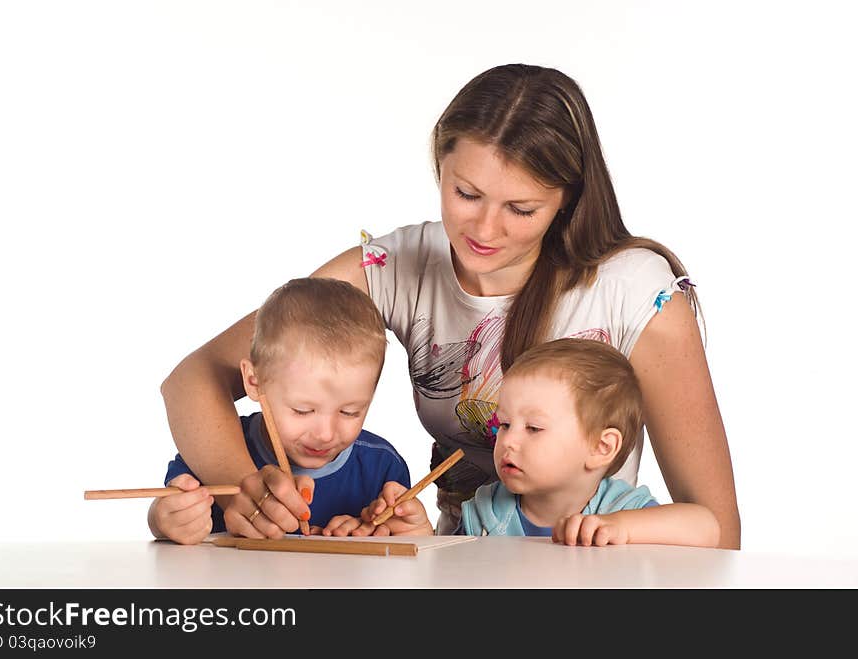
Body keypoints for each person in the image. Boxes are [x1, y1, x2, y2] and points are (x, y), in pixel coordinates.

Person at [158, 63, 740, 547]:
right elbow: (192, 379)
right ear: (439, 164)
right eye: (466, 194)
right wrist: (248, 489)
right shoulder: (396, 266)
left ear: (566, 201)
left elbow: (718, 531)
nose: (485, 229)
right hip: (457, 558)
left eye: (521, 209)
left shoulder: (635, 291)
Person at [356, 338, 720, 546]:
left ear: (601, 448)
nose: (508, 441)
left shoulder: (620, 505)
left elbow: (707, 526)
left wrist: (622, 527)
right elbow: (448, 576)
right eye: (504, 425)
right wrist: (421, 534)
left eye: (534, 428)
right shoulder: (487, 509)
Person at [147, 277, 411, 544]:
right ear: (253, 381)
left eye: (350, 412)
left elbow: (409, 553)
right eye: (303, 410)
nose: (325, 434)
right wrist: (164, 520)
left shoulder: (383, 467)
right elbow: (165, 518)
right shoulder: (209, 450)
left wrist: (374, 530)